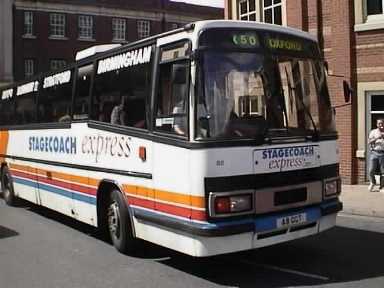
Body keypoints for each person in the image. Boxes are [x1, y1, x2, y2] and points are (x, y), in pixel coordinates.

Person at [368, 118, 384, 192]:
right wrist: (378, 137)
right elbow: (369, 142)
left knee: (383, 171)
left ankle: (382, 187)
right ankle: (373, 182)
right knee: (371, 170)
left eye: (382, 123)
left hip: (383, 153)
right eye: (379, 123)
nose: (381, 125)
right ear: (377, 124)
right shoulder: (373, 132)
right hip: (374, 152)